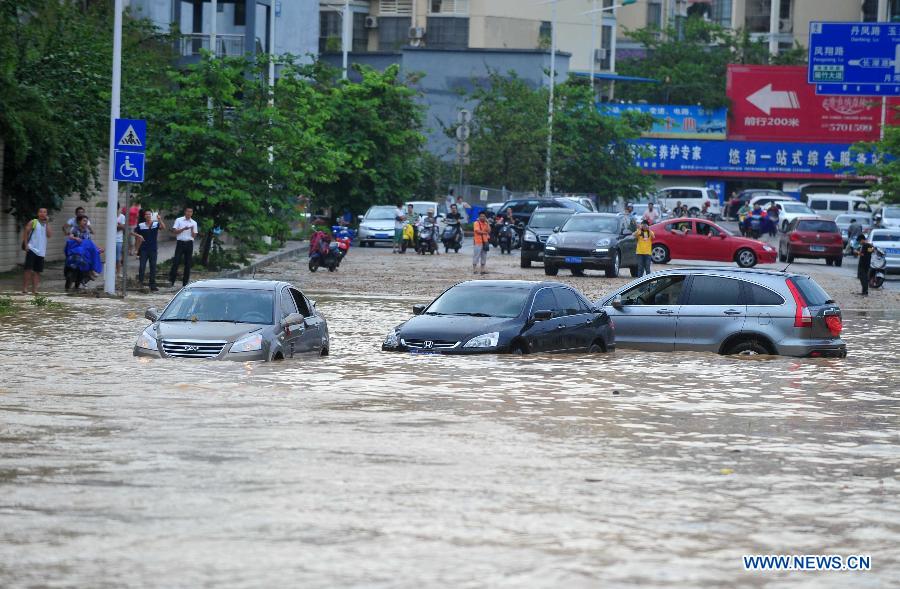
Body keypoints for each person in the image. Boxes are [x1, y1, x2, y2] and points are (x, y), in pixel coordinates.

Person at [133, 210, 167, 292]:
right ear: (144, 216)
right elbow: (132, 232)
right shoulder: (141, 225)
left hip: (153, 249)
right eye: (146, 214)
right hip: (143, 249)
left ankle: (152, 285)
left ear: (151, 216)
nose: (148, 215)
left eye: (149, 214)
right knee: (142, 266)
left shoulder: (155, 224)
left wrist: (159, 219)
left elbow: (163, 227)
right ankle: (140, 283)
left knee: (153, 267)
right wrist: (139, 235)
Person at [21, 208, 52, 295]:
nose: (42, 213)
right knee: (28, 269)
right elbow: (25, 232)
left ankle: (35, 289)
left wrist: (47, 223)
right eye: (41, 212)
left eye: (45, 212)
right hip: (32, 248)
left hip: (41, 251)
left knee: (37, 271)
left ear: (47, 214)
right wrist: (26, 245)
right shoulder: (33, 222)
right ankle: (25, 288)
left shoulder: (47, 224)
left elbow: (49, 235)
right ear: (38, 213)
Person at [169, 206, 199, 287]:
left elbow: (194, 236)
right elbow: (174, 231)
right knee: (176, 262)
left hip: (189, 243)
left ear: (192, 213)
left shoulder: (194, 222)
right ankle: (171, 281)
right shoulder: (179, 220)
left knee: (188, 263)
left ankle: (185, 283)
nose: (189, 213)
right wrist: (183, 229)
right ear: (185, 212)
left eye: (191, 212)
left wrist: (192, 229)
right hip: (180, 243)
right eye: (188, 211)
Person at [116, 207, 127, 274]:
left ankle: (118, 272)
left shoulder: (122, 216)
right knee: (112, 257)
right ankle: (113, 271)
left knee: (118, 257)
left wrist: (119, 226)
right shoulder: (111, 215)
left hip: (119, 239)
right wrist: (119, 225)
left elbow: (123, 227)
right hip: (111, 240)